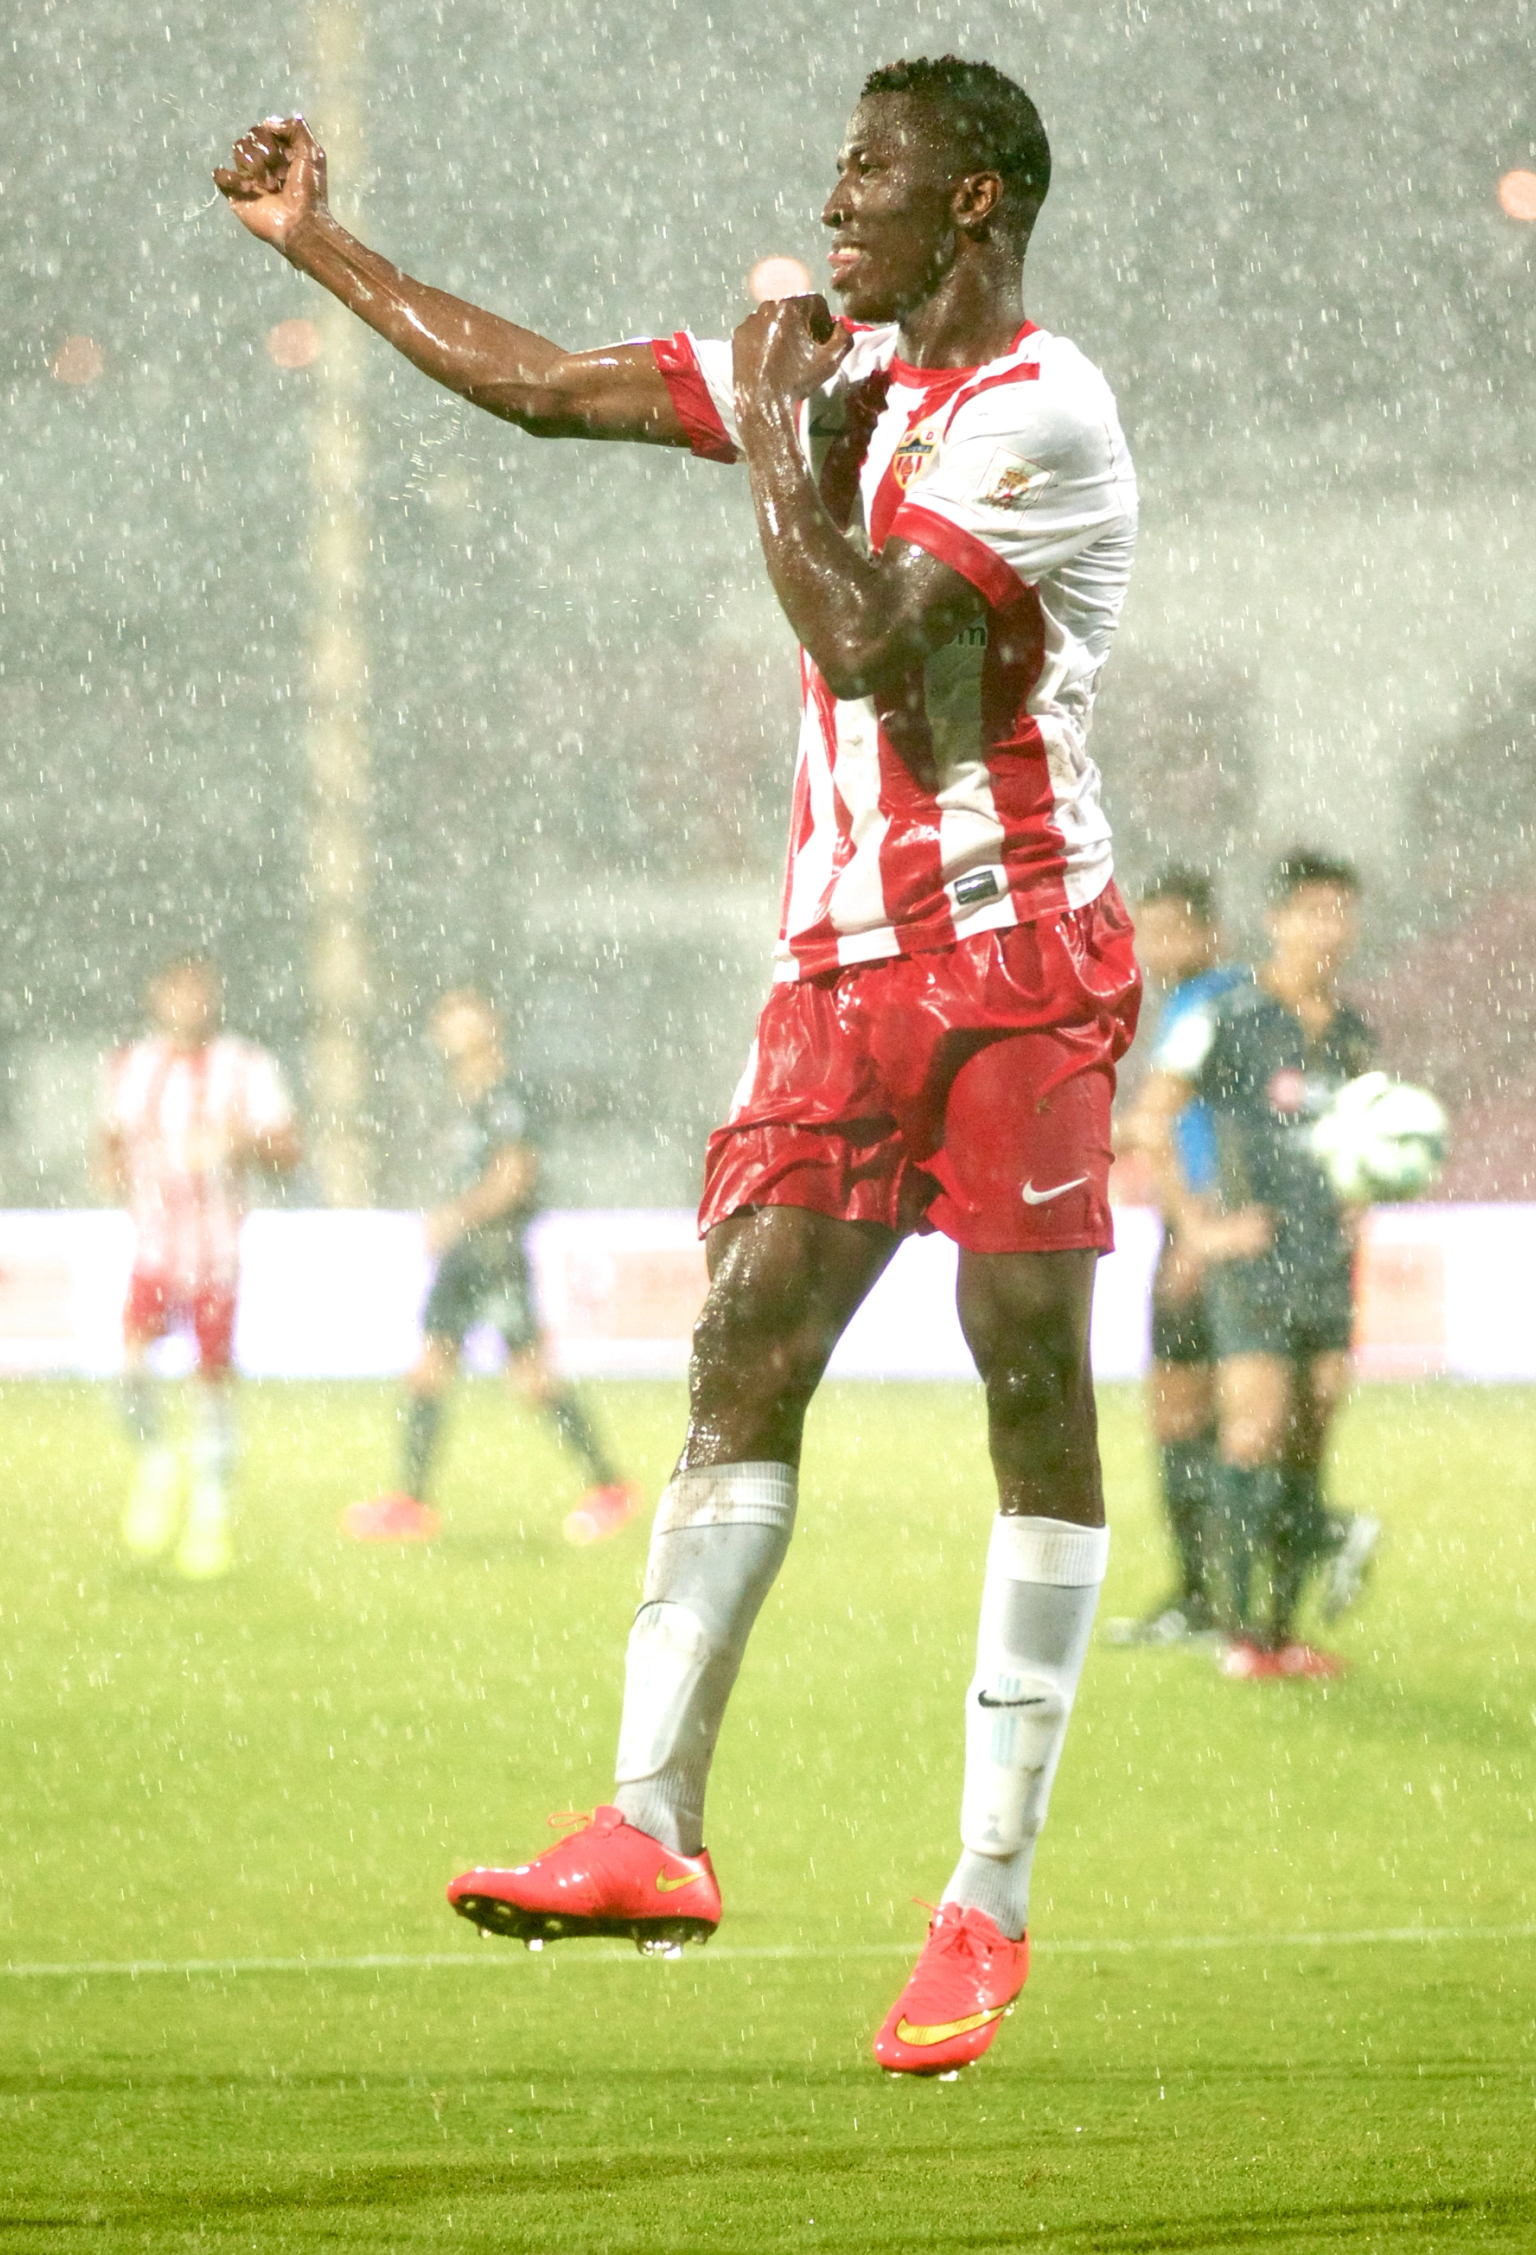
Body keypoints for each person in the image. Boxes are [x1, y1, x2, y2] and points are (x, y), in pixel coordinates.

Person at [217, 52, 1140, 2074]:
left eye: (874, 175)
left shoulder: (1040, 411)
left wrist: (783, 437)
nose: (836, 202)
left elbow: (871, 638)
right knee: (743, 1348)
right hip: (838, 969)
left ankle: (982, 1899)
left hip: (1011, 961)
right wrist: (322, 248)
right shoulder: (844, 382)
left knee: (1033, 1374)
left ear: (974, 201)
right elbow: (548, 385)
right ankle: (650, 1821)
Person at [1145, 851, 1381, 1678]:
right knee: (1253, 1432)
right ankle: (1240, 1635)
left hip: (1325, 1262)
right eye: (1314, 910)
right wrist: (1200, 1228)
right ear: (1278, 919)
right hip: (1252, 1260)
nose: (1331, 928)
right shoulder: (1232, 1013)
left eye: (1342, 912)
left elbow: (1369, 1141)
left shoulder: (1351, 1032)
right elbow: (1151, 1118)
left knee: (1312, 1435)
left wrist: (1366, 1197)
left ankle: (1283, 1632)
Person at [341, 989, 640, 1547]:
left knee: (531, 1379)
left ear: (488, 1024)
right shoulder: (466, 1096)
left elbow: (515, 1176)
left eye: (460, 1013)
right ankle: (409, 1502)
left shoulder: (506, 1096)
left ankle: (609, 1486)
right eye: (444, 1016)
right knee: (429, 1369)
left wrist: (456, 1217)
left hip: (494, 1253)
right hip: (465, 1257)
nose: (447, 1026)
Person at [98, 957, 299, 1578]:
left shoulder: (247, 1066)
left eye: (199, 993)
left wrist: (245, 1144)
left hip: (215, 1256)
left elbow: (289, 1151)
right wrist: (113, 1173)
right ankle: (157, 1463)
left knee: (211, 1387)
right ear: (159, 997)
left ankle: (210, 1516)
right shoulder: (132, 1065)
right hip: (156, 1248)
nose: (190, 1004)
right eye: (177, 992)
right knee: (127, 1367)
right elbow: (108, 1143)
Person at [1105, 869, 1249, 1645]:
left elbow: (1160, 1126)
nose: (1155, 949)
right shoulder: (1215, 1002)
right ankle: (1222, 1600)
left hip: (1206, 1222)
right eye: (1146, 933)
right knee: (1204, 1412)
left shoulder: (1211, 1004)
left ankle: (1216, 1599)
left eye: (1170, 932)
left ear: (1208, 932)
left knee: (1192, 1411)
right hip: (1204, 1221)